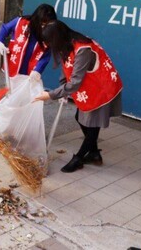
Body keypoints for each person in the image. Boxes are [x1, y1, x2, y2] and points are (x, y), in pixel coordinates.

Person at [34, 20, 122, 173]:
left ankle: (79, 158)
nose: (48, 46)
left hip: (101, 88)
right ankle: (94, 153)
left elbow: (75, 82)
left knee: (92, 123)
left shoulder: (82, 49)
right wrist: (63, 87)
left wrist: (51, 95)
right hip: (90, 87)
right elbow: (66, 66)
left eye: (49, 42)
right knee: (80, 118)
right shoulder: (67, 45)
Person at [0, 4, 56, 81]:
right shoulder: (20, 22)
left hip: (30, 73)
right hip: (13, 65)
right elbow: (5, 28)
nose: (43, 27)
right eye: (42, 24)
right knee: (11, 91)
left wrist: (37, 70)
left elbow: (46, 56)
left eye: (47, 25)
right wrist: (0, 42)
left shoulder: (49, 34)